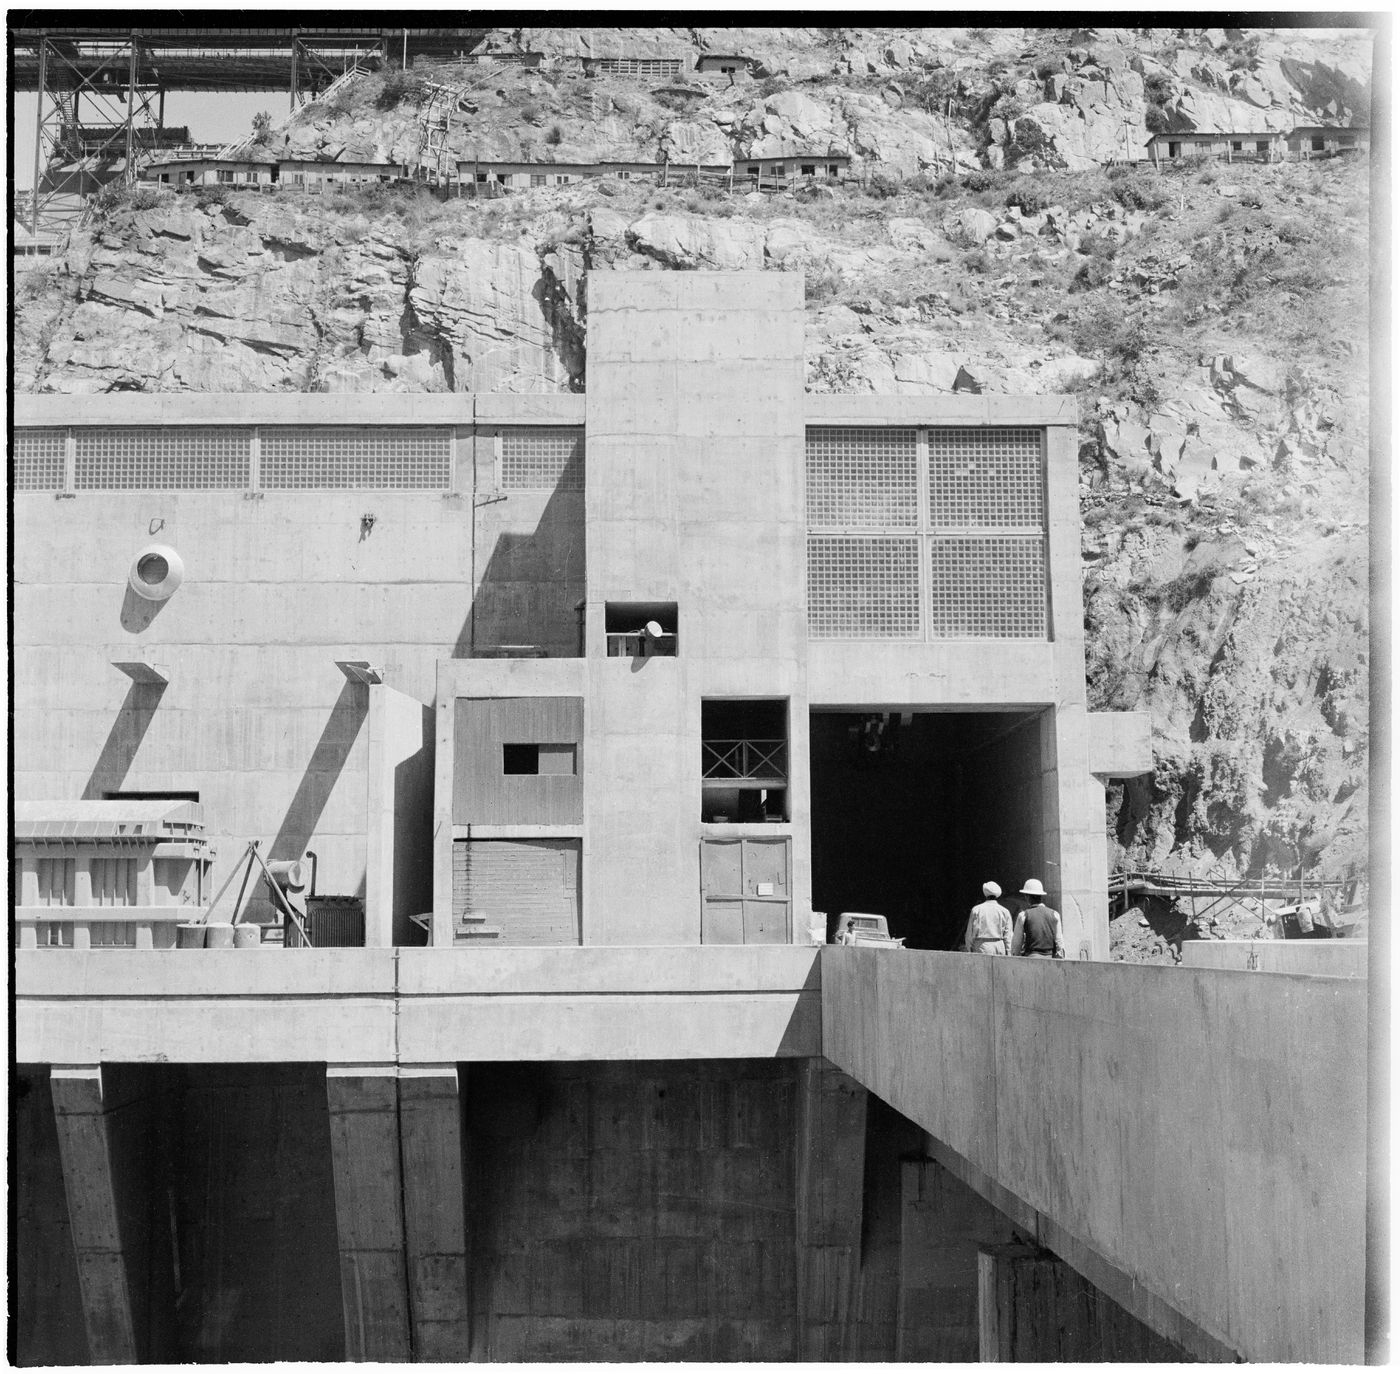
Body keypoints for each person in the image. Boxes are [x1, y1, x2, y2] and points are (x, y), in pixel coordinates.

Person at [1010, 878, 1065, 958]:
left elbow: (1016, 945)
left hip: (1032, 959)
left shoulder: (1023, 915)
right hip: (1050, 959)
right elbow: (1059, 942)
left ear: (1027, 897)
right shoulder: (1055, 914)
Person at [963, 881, 1012, 954]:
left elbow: (970, 933)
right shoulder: (1004, 911)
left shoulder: (977, 909)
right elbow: (1008, 935)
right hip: (999, 946)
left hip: (982, 946)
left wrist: (969, 948)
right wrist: (1009, 951)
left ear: (985, 894)